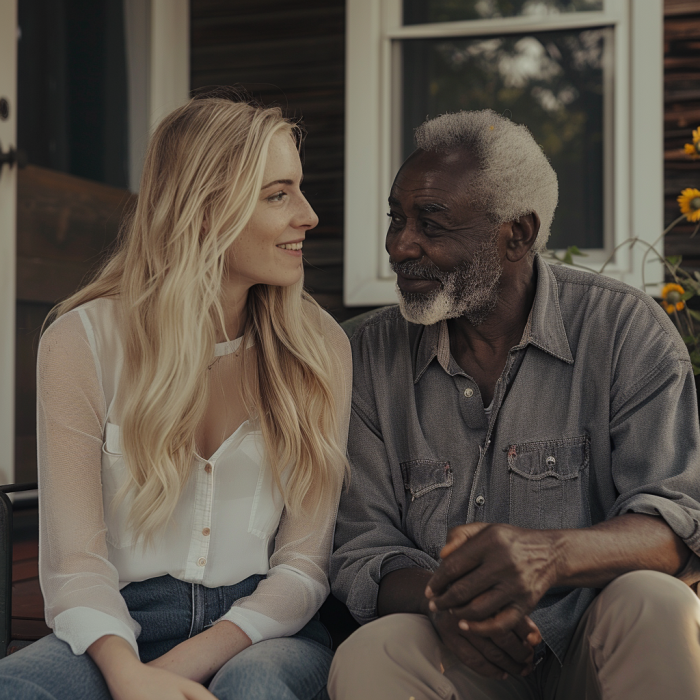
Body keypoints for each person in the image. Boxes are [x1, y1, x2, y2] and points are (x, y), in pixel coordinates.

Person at [328, 109, 700, 700]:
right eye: (397, 219)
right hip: (459, 648)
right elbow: (362, 545)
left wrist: (547, 556)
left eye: (431, 222)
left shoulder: (624, 329)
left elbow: (676, 523)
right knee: (376, 650)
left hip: (595, 643)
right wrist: (444, 599)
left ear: (517, 234)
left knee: (655, 600)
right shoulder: (365, 357)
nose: (401, 245)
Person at [0, 90, 351, 700]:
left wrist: (168, 675)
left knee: (257, 689)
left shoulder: (318, 347)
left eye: (298, 188)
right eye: (278, 194)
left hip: (262, 631)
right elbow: (75, 566)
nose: (308, 215)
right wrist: (127, 675)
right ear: (207, 210)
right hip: (116, 625)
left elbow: (303, 564)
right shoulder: (81, 340)